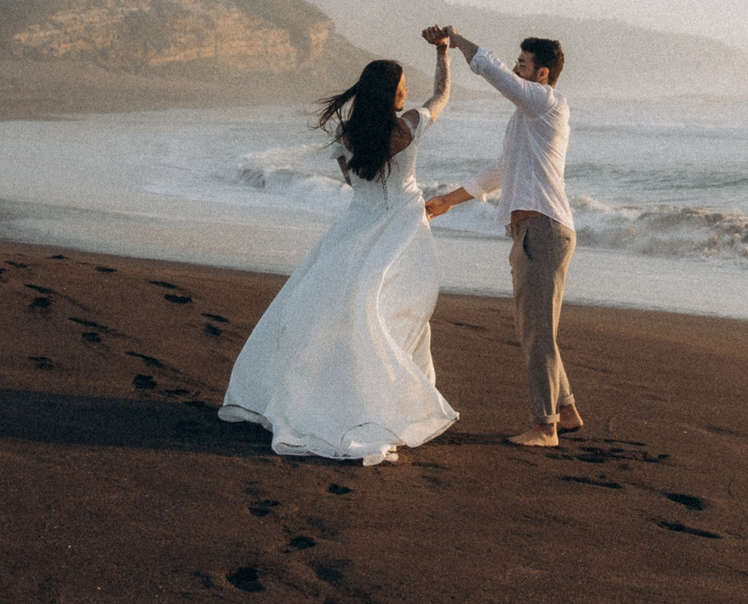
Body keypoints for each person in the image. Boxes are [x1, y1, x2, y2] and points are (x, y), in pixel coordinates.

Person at [217, 46, 458, 465]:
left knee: (337, 310)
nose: (406, 93)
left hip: (354, 228)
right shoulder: (410, 125)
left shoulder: (348, 135)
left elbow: (352, 182)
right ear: (390, 94)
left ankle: (349, 397)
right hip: (403, 230)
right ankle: (390, 403)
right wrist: (443, 53)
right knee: (397, 312)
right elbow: (442, 94)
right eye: (402, 87)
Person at [422, 27, 582, 448]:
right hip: (532, 231)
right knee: (535, 327)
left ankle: (545, 427)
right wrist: (448, 201)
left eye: (523, 64)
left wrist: (457, 39)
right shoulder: (526, 119)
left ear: (542, 73)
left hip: (544, 230)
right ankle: (565, 410)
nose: (515, 68)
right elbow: (498, 171)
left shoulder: (546, 102)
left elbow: (492, 71)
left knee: (538, 332)